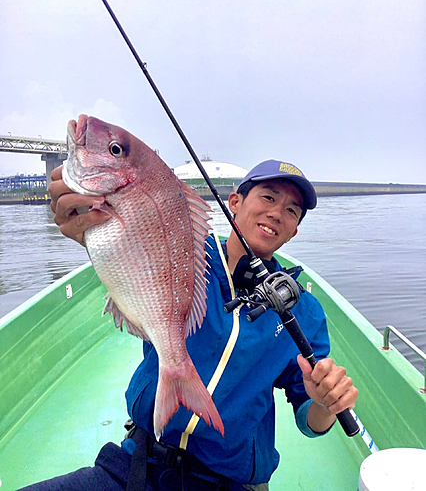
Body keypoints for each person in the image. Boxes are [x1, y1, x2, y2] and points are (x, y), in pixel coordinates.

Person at [21, 160, 358, 490]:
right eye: (268, 197)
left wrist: (326, 405)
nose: (277, 213)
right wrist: (91, 227)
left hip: (230, 481)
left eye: (292, 210)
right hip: (139, 461)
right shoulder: (182, 251)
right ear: (235, 202)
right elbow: (130, 244)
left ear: (294, 231)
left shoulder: (305, 311)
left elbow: (309, 420)